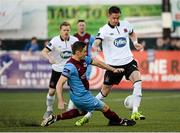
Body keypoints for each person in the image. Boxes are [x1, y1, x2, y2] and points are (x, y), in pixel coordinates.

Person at [76, 6, 145, 125]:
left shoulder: (125, 24)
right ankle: (88, 115)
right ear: (108, 16)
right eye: (114, 18)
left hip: (128, 61)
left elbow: (132, 33)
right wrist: (96, 45)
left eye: (118, 18)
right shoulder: (104, 30)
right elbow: (98, 40)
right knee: (104, 92)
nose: (116, 20)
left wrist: (135, 43)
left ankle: (135, 111)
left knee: (138, 81)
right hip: (113, 66)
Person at [41, 41, 136, 127]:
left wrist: (113, 69)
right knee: (105, 107)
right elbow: (59, 84)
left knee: (82, 111)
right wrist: (60, 101)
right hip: (82, 97)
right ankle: (119, 121)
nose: (86, 53)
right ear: (78, 53)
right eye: (84, 51)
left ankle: (54, 118)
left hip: (77, 95)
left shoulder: (83, 59)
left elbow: (98, 63)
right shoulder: (70, 66)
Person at [41, 21, 78, 120]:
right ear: (60, 31)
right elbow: (44, 51)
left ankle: (70, 108)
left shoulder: (75, 40)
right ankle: (49, 109)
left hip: (70, 69)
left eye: (68, 30)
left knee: (76, 90)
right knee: (52, 91)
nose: (66, 32)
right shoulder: (55, 41)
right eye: (64, 30)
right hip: (57, 70)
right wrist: (49, 58)